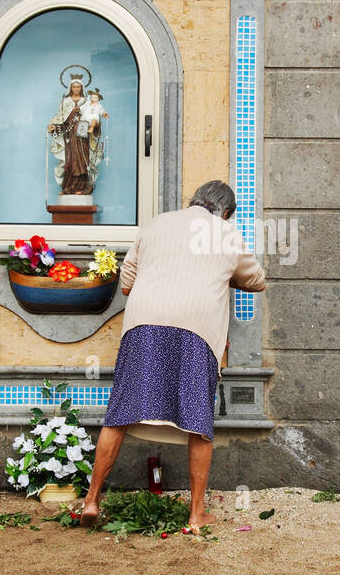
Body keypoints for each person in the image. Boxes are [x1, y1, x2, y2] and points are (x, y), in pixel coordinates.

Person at [80, 180, 266, 530]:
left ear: (193, 201)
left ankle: (90, 500)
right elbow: (256, 280)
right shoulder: (226, 233)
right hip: (197, 327)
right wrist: (224, 276)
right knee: (199, 424)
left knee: (118, 415)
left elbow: (127, 283)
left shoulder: (157, 223)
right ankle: (196, 514)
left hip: (143, 323)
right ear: (224, 212)